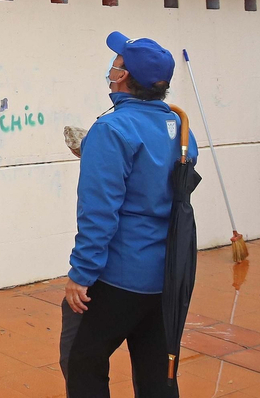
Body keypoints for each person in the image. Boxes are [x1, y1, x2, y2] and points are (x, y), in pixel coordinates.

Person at [62, 32, 198, 398]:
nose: (112, 67)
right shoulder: (180, 127)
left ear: (122, 77)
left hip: (120, 275)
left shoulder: (112, 129)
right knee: (158, 373)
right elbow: (158, 184)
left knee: (82, 362)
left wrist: (82, 273)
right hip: (167, 273)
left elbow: (99, 212)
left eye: (116, 63)